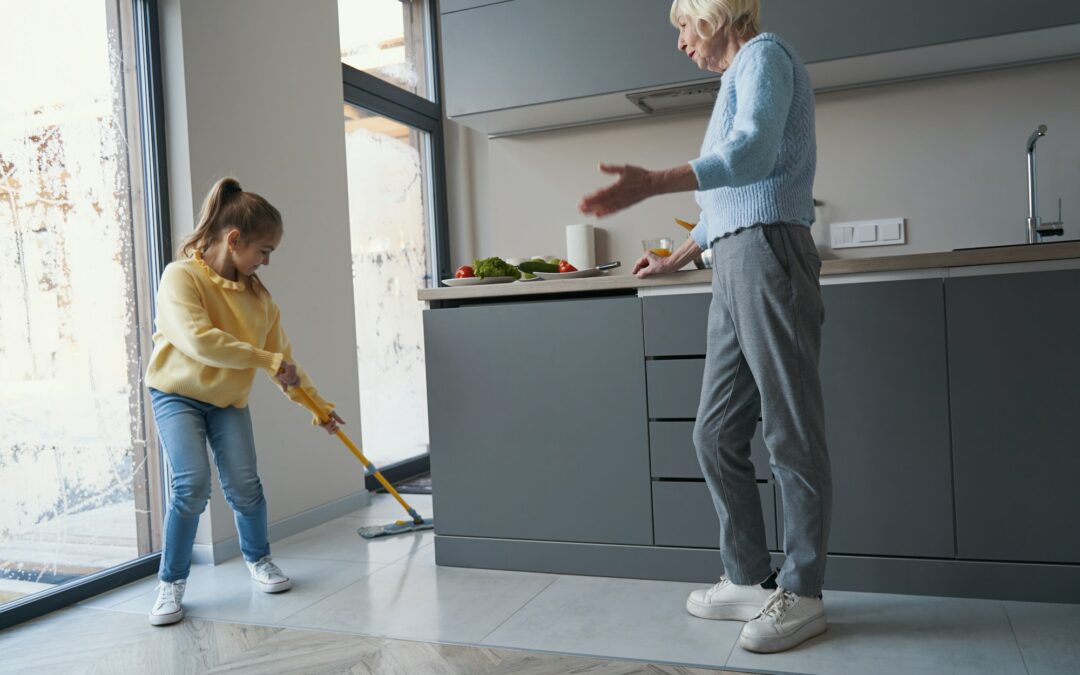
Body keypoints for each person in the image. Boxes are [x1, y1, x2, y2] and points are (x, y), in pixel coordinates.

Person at [579, 0, 830, 654]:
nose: (682, 41)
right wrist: (679, 257)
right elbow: (726, 203)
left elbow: (752, 157)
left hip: (772, 251)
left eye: (685, 26)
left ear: (716, 15)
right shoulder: (736, 77)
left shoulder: (764, 57)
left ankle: (803, 592)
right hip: (734, 259)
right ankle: (750, 575)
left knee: (789, 429)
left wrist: (654, 181)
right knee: (715, 430)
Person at [144, 177, 345, 626]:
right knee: (191, 486)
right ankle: (170, 583)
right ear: (234, 240)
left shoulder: (260, 302)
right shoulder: (181, 277)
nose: (267, 261)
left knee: (245, 485)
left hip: (226, 400)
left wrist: (319, 408)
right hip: (176, 395)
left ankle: (259, 560)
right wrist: (264, 359)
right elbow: (199, 341)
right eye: (263, 250)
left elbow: (285, 365)